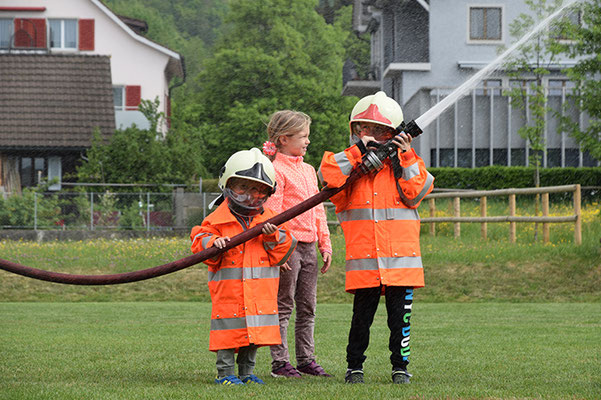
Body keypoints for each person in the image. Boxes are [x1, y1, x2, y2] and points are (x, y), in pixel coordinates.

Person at [317, 91, 434, 384]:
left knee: (400, 322)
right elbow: (328, 174)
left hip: (401, 265)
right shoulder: (350, 170)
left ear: (394, 134)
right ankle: (354, 366)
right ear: (355, 131)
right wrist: (357, 151)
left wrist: (405, 154)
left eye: (379, 130)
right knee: (361, 321)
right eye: (364, 129)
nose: (371, 135)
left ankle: (400, 367)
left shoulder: (409, 164)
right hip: (365, 262)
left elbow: (416, 192)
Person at [190, 148, 297, 386]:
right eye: (243, 187)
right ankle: (224, 373)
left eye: (258, 190)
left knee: (254, 335)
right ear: (227, 184)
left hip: (260, 295)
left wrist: (271, 238)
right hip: (230, 294)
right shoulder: (216, 220)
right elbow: (200, 239)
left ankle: (247, 372)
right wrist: (213, 243)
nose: (251, 195)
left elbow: (284, 250)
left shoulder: (271, 220)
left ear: (269, 192)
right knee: (228, 334)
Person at [262, 110, 334, 378]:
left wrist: (325, 245)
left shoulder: (308, 171)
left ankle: (306, 359)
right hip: (288, 249)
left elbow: (318, 212)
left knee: (308, 306)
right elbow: (273, 215)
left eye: (307, 136)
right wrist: (278, 252)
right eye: (303, 136)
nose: (307, 141)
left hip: (310, 248)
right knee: (284, 306)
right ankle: (280, 362)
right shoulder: (275, 171)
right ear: (283, 139)